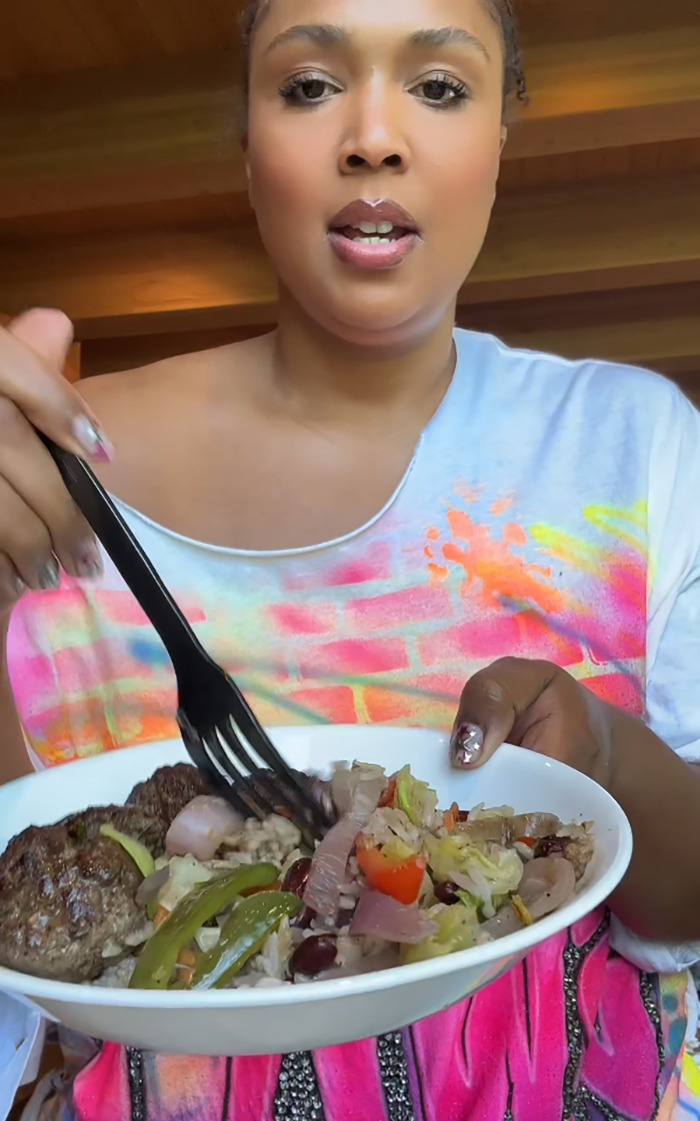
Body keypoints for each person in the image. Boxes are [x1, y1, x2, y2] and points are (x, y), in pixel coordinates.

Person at [1, 0, 699, 1117]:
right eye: (311, 86)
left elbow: (685, 913)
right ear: (248, 145)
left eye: (439, 87)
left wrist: (608, 753)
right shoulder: (42, 467)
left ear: (499, 139)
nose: (373, 137)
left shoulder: (632, 444)